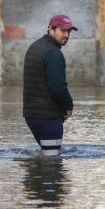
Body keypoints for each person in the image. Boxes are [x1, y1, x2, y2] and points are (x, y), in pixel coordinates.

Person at [23, 14, 77, 156]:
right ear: (51, 29)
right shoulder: (53, 53)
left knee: (45, 159)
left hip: (31, 116)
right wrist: (69, 106)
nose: (66, 35)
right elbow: (58, 87)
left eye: (69, 31)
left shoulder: (35, 47)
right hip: (48, 118)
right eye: (62, 30)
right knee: (52, 165)